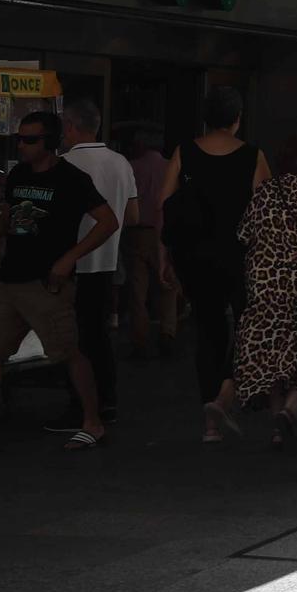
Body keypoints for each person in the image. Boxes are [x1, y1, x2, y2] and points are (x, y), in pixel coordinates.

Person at [0, 110, 120, 452]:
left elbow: (108, 221)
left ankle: (93, 422)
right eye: (19, 139)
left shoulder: (72, 179)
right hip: (8, 281)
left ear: (50, 142)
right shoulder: (19, 174)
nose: (22, 145)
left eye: (30, 139)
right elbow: (8, 224)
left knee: (68, 352)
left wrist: (68, 259)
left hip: (45, 283)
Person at [159, 86, 270, 443]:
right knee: (249, 328)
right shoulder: (253, 156)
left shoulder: (184, 152)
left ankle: (210, 423)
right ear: (238, 119)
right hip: (239, 258)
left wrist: (165, 257)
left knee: (207, 332)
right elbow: (264, 213)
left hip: (194, 256)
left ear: (206, 117)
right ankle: (226, 393)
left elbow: (164, 206)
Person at [221, 134, 297, 451]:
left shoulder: (266, 191)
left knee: (272, 347)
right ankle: (290, 410)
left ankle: (276, 423)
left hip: (264, 281)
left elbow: (244, 232)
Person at [49, 101, 137, 433]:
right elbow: (133, 216)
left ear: (70, 127)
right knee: (98, 334)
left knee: (73, 340)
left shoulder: (63, 163)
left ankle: (81, 406)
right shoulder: (120, 162)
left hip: (69, 262)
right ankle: (107, 400)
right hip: (106, 260)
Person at [124, 130, 179, 359]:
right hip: (165, 232)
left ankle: (140, 338)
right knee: (168, 286)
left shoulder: (131, 166)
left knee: (138, 290)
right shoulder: (172, 167)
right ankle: (167, 332)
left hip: (137, 232)